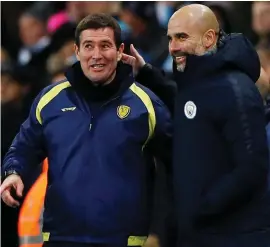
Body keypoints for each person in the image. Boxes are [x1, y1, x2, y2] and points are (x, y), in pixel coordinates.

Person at [1, 13, 172, 247]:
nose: (96, 55)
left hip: (124, 241)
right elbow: (22, 146)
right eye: (88, 46)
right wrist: (13, 172)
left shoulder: (146, 104)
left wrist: (160, 230)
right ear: (77, 51)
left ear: (120, 50)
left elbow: (174, 167)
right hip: (61, 239)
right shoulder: (50, 99)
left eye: (105, 46)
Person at [122, 4, 270, 247]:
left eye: (182, 37)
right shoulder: (199, 82)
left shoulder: (236, 89)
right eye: (170, 38)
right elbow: (190, 107)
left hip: (234, 236)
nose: (173, 47)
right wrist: (146, 73)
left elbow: (252, 168)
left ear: (209, 38)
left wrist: (202, 206)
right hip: (202, 234)